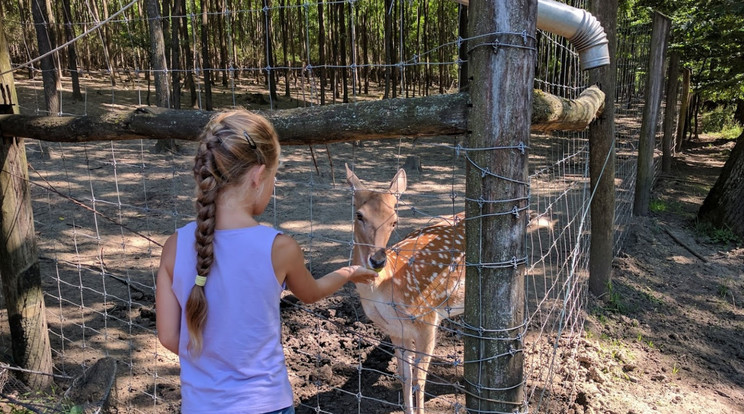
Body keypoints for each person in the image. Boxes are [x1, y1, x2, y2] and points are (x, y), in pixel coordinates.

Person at [155, 110, 377, 414]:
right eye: (274, 177)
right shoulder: (279, 247)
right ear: (258, 176)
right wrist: (349, 272)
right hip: (266, 404)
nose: (272, 187)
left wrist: (214, 360)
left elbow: (168, 336)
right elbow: (311, 293)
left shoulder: (173, 246)